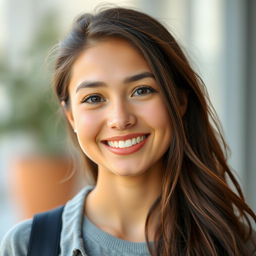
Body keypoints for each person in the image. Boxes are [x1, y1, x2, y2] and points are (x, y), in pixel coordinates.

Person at [1, 7, 255, 256]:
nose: (120, 119)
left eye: (142, 90)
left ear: (179, 101)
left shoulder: (237, 244)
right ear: (71, 116)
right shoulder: (26, 246)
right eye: (94, 98)